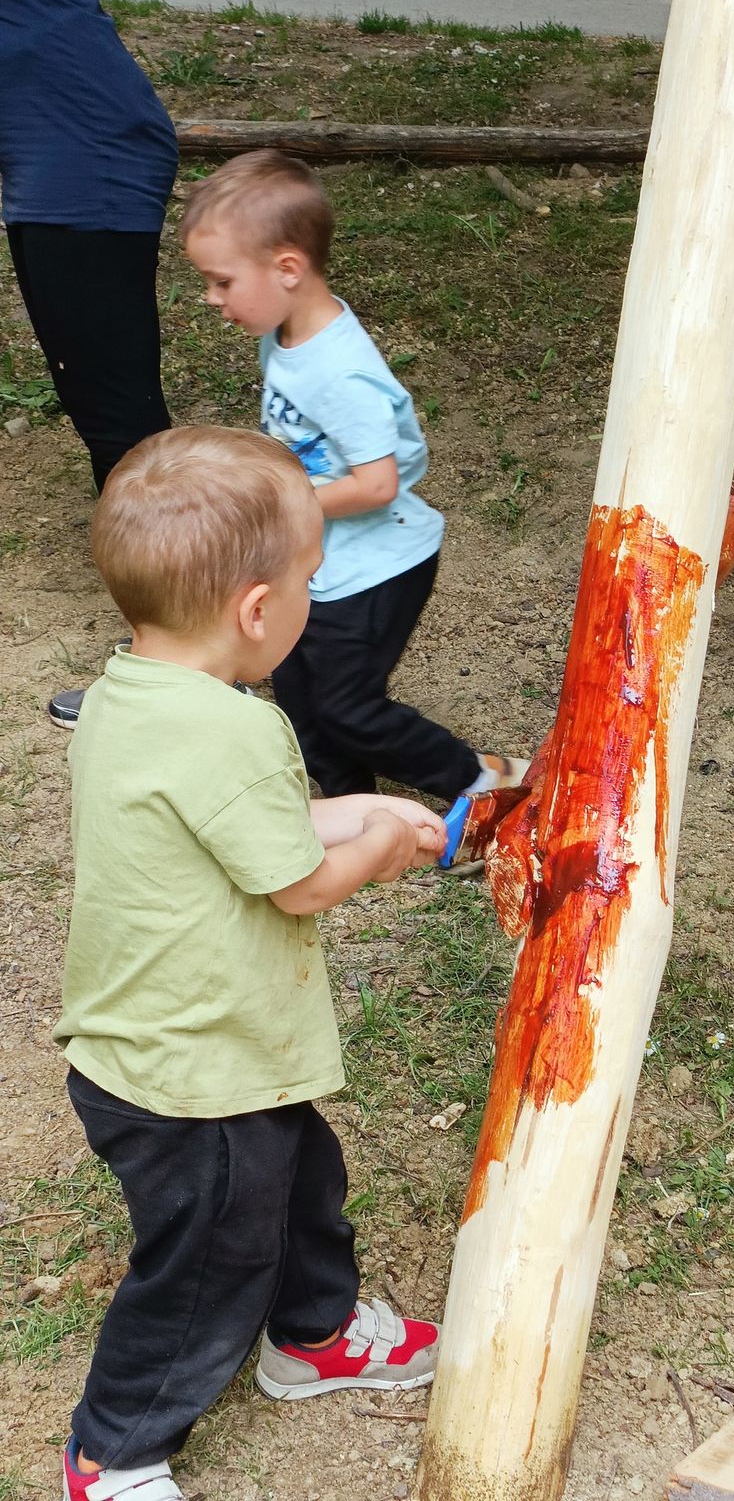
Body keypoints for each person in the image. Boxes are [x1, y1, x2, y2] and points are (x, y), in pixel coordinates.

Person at [56, 426, 445, 1501]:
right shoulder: (235, 732)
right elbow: (297, 880)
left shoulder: (129, 697)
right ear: (257, 612)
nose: (314, 603)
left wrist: (363, 806)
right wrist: (372, 847)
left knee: (301, 1183)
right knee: (207, 1261)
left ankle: (312, 1333)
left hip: (185, 1056)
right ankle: (114, 1450)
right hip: (191, 1078)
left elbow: (246, 825)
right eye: (312, 582)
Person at [180, 149, 527, 804]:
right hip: (317, 561)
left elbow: (376, 484)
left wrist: (278, 499)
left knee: (347, 708)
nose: (211, 297)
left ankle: (481, 783)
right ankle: (349, 805)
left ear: (287, 268)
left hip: (376, 569)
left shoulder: (340, 372)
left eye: (222, 281)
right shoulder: (284, 335)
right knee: (300, 699)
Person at [0, 0, 177, 727]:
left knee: (124, 427)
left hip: (84, 147)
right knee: (100, 409)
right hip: (58, 140)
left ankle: (197, 666)